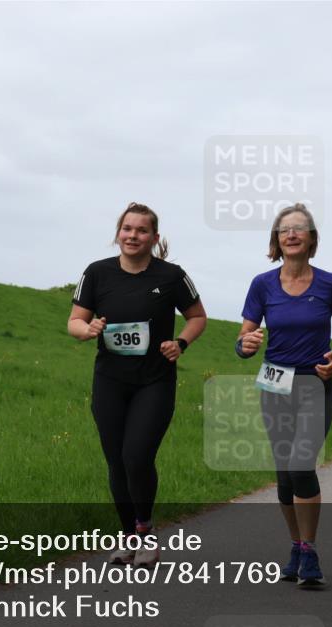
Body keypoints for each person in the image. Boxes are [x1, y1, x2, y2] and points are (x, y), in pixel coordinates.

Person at [69, 202, 207, 568]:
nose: (133, 236)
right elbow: (74, 322)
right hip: (110, 381)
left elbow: (197, 317)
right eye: (127, 229)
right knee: (116, 460)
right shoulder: (96, 273)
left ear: (154, 237)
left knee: (137, 456)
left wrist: (180, 343)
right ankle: (128, 535)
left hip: (154, 381)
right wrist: (88, 330)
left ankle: (145, 531)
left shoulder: (172, 276)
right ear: (118, 233)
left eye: (141, 230)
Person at [237, 203, 332, 587]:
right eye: (284, 229)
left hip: (314, 383)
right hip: (275, 384)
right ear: (276, 238)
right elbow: (244, 336)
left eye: (299, 228)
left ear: (311, 238)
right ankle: (295, 545)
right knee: (285, 474)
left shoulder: (330, 284)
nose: (291, 234)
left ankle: (310, 550)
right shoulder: (262, 284)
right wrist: (245, 345)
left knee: (302, 465)